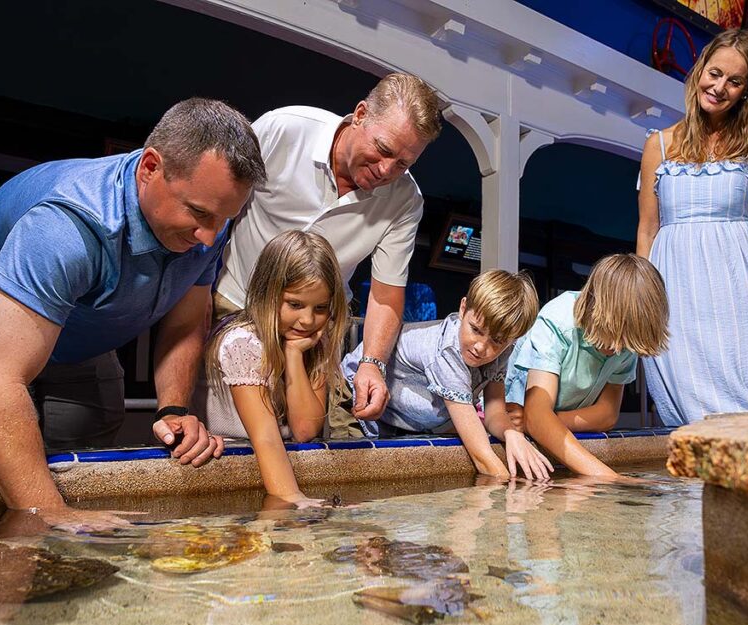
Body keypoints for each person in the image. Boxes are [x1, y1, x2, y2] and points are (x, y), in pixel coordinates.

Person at [0, 98, 266, 530]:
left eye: (224, 219)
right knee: (9, 507)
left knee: (86, 486)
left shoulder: (207, 225)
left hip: (81, 341)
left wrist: (172, 408)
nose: (209, 237)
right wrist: (51, 515)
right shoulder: (68, 226)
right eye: (198, 213)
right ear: (150, 168)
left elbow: (185, 318)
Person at [211, 73, 440, 426]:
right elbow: (218, 212)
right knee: (237, 432)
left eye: (403, 164)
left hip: (315, 326)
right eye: (383, 150)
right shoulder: (281, 129)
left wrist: (372, 364)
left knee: (326, 436)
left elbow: (386, 294)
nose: (386, 170)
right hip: (237, 306)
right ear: (360, 114)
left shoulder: (405, 201)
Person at [635, 29, 748, 426]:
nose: (719, 87)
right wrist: (642, 299)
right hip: (676, 287)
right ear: (698, 73)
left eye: (734, 81)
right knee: (691, 398)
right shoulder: (657, 145)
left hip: (744, 286)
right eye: (714, 74)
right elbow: (647, 229)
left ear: (747, 90)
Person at [333, 269, 551, 480]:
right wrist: (511, 494)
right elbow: (481, 456)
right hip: (354, 396)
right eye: (476, 330)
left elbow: (494, 413)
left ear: (512, 340)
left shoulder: (503, 351)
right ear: (463, 308)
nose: (481, 347)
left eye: (497, 340)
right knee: (351, 479)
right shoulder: (448, 350)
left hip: (397, 418)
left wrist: (511, 434)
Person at [205, 231, 348, 507]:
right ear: (268, 293)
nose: (307, 320)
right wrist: (293, 500)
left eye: (320, 308)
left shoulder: (316, 341)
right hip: (228, 463)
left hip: (282, 461)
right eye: (295, 304)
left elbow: (305, 430)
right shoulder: (242, 342)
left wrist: (293, 355)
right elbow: (266, 438)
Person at [504, 254, 669, 478]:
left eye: (628, 343)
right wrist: (611, 479)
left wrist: (546, 420)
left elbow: (607, 415)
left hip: (545, 423)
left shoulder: (625, 340)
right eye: (614, 337)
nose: (620, 350)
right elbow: (537, 415)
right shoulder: (557, 321)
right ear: (595, 307)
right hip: (502, 422)